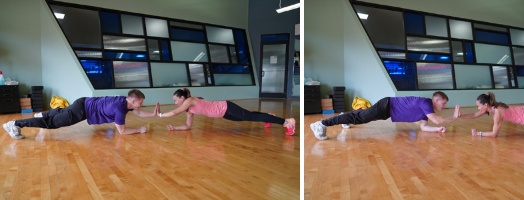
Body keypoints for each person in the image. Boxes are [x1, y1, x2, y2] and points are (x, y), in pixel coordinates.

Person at [2, 89, 157, 139]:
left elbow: (138, 112)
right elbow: (122, 131)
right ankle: (15, 124)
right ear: (133, 101)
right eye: (140, 102)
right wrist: (139, 130)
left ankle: (42, 114)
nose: (141, 104)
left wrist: (153, 114)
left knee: (62, 111)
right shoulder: (120, 109)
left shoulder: (124, 100)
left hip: (83, 102)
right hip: (81, 110)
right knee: (52, 124)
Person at [310, 91, 461, 140]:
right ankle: (321, 124)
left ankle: (345, 117)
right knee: (360, 118)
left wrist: (437, 130)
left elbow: (424, 127)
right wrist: (454, 117)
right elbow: (437, 119)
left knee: (361, 115)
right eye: (443, 103)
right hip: (386, 106)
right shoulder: (426, 103)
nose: (444, 106)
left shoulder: (425, 110)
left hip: (387, 110)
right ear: (436, 99)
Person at [156, 88, 296, 135]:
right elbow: (188, 126)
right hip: (225, 114)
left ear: (182, 98)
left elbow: (174, 112)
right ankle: (268, 117)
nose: (175, 103)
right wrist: (174, 127)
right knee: (248, 116)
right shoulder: (189, 109)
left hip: (226, 107)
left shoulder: (190, 100)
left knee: (250, 116)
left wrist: (160, 115)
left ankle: (287, 122)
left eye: (175, 100)